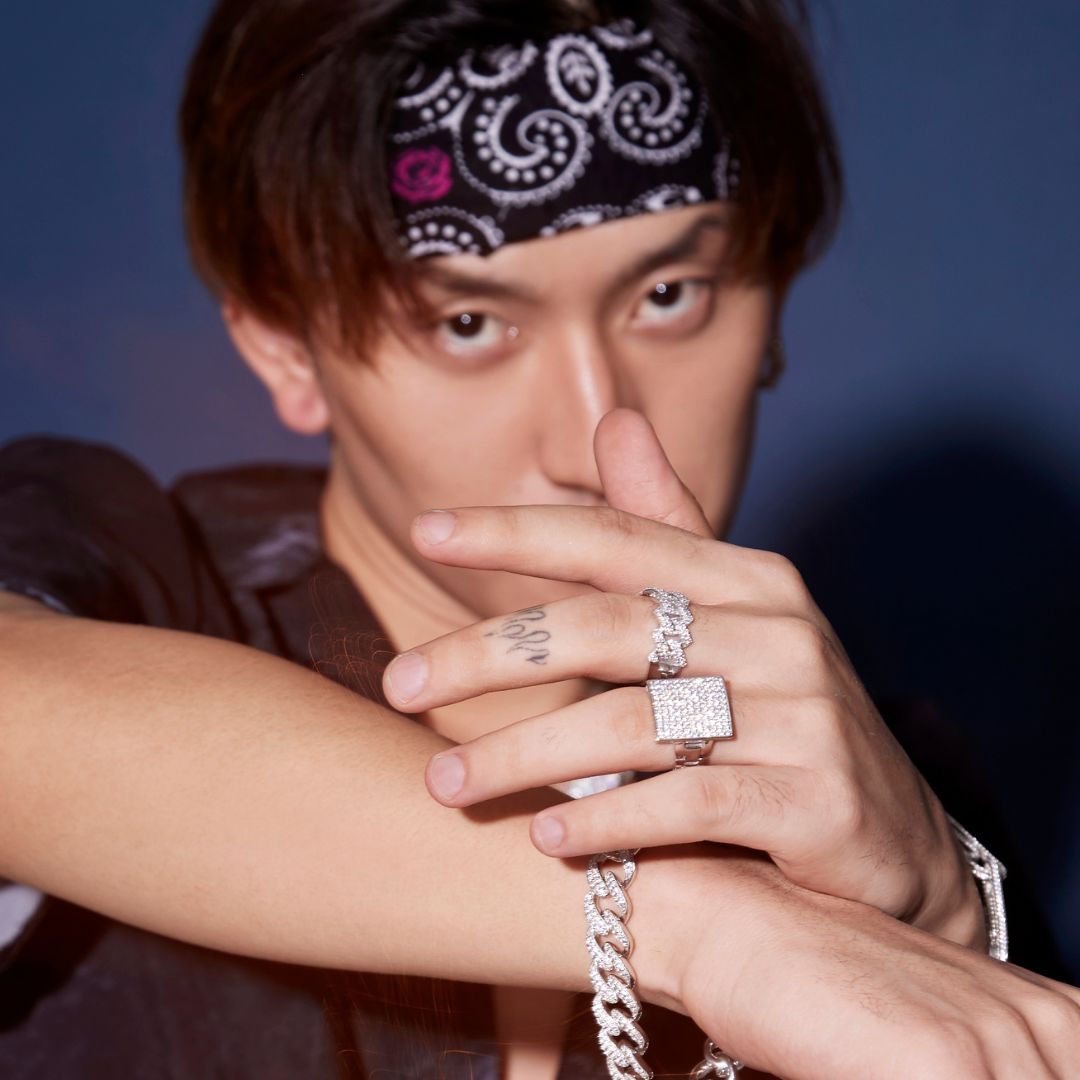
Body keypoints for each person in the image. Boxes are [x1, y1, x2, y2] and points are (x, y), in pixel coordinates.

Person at [1, 0, 1077, 1077]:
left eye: (669, 294)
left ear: (775, 298)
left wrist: (946, 919)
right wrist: (705, 929)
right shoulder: (129, 574)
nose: (588, 437)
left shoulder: (876, 778)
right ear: (286, 344)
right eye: (469, 323)